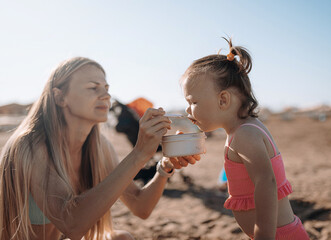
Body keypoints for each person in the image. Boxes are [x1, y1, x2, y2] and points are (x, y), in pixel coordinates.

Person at [0, 57, 200, 240]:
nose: (106, 95)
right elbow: (72, 225)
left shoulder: (99, 147)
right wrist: (139, 154)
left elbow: (141, 207)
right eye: (93, 88)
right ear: (60, 97)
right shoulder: (31, 147)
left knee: (122, 238)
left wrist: (164, 168)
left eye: (106, 88)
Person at [180, 38, 310, 240]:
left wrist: (263, 236)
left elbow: (266, 182)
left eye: (193, 101)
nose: (188, 109)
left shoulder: (244, 134)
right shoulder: (243, 129)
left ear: (223, 100)